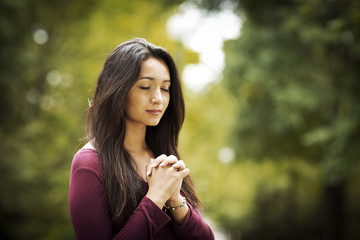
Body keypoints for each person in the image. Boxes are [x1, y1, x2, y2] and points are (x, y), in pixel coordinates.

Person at [68, 38, 214, 239]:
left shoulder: (163, 158)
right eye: (145, 87)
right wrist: (156, 196)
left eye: (165, 88)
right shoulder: (89, 164)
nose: (158, 99)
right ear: (117, 89)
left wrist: (175, 200)